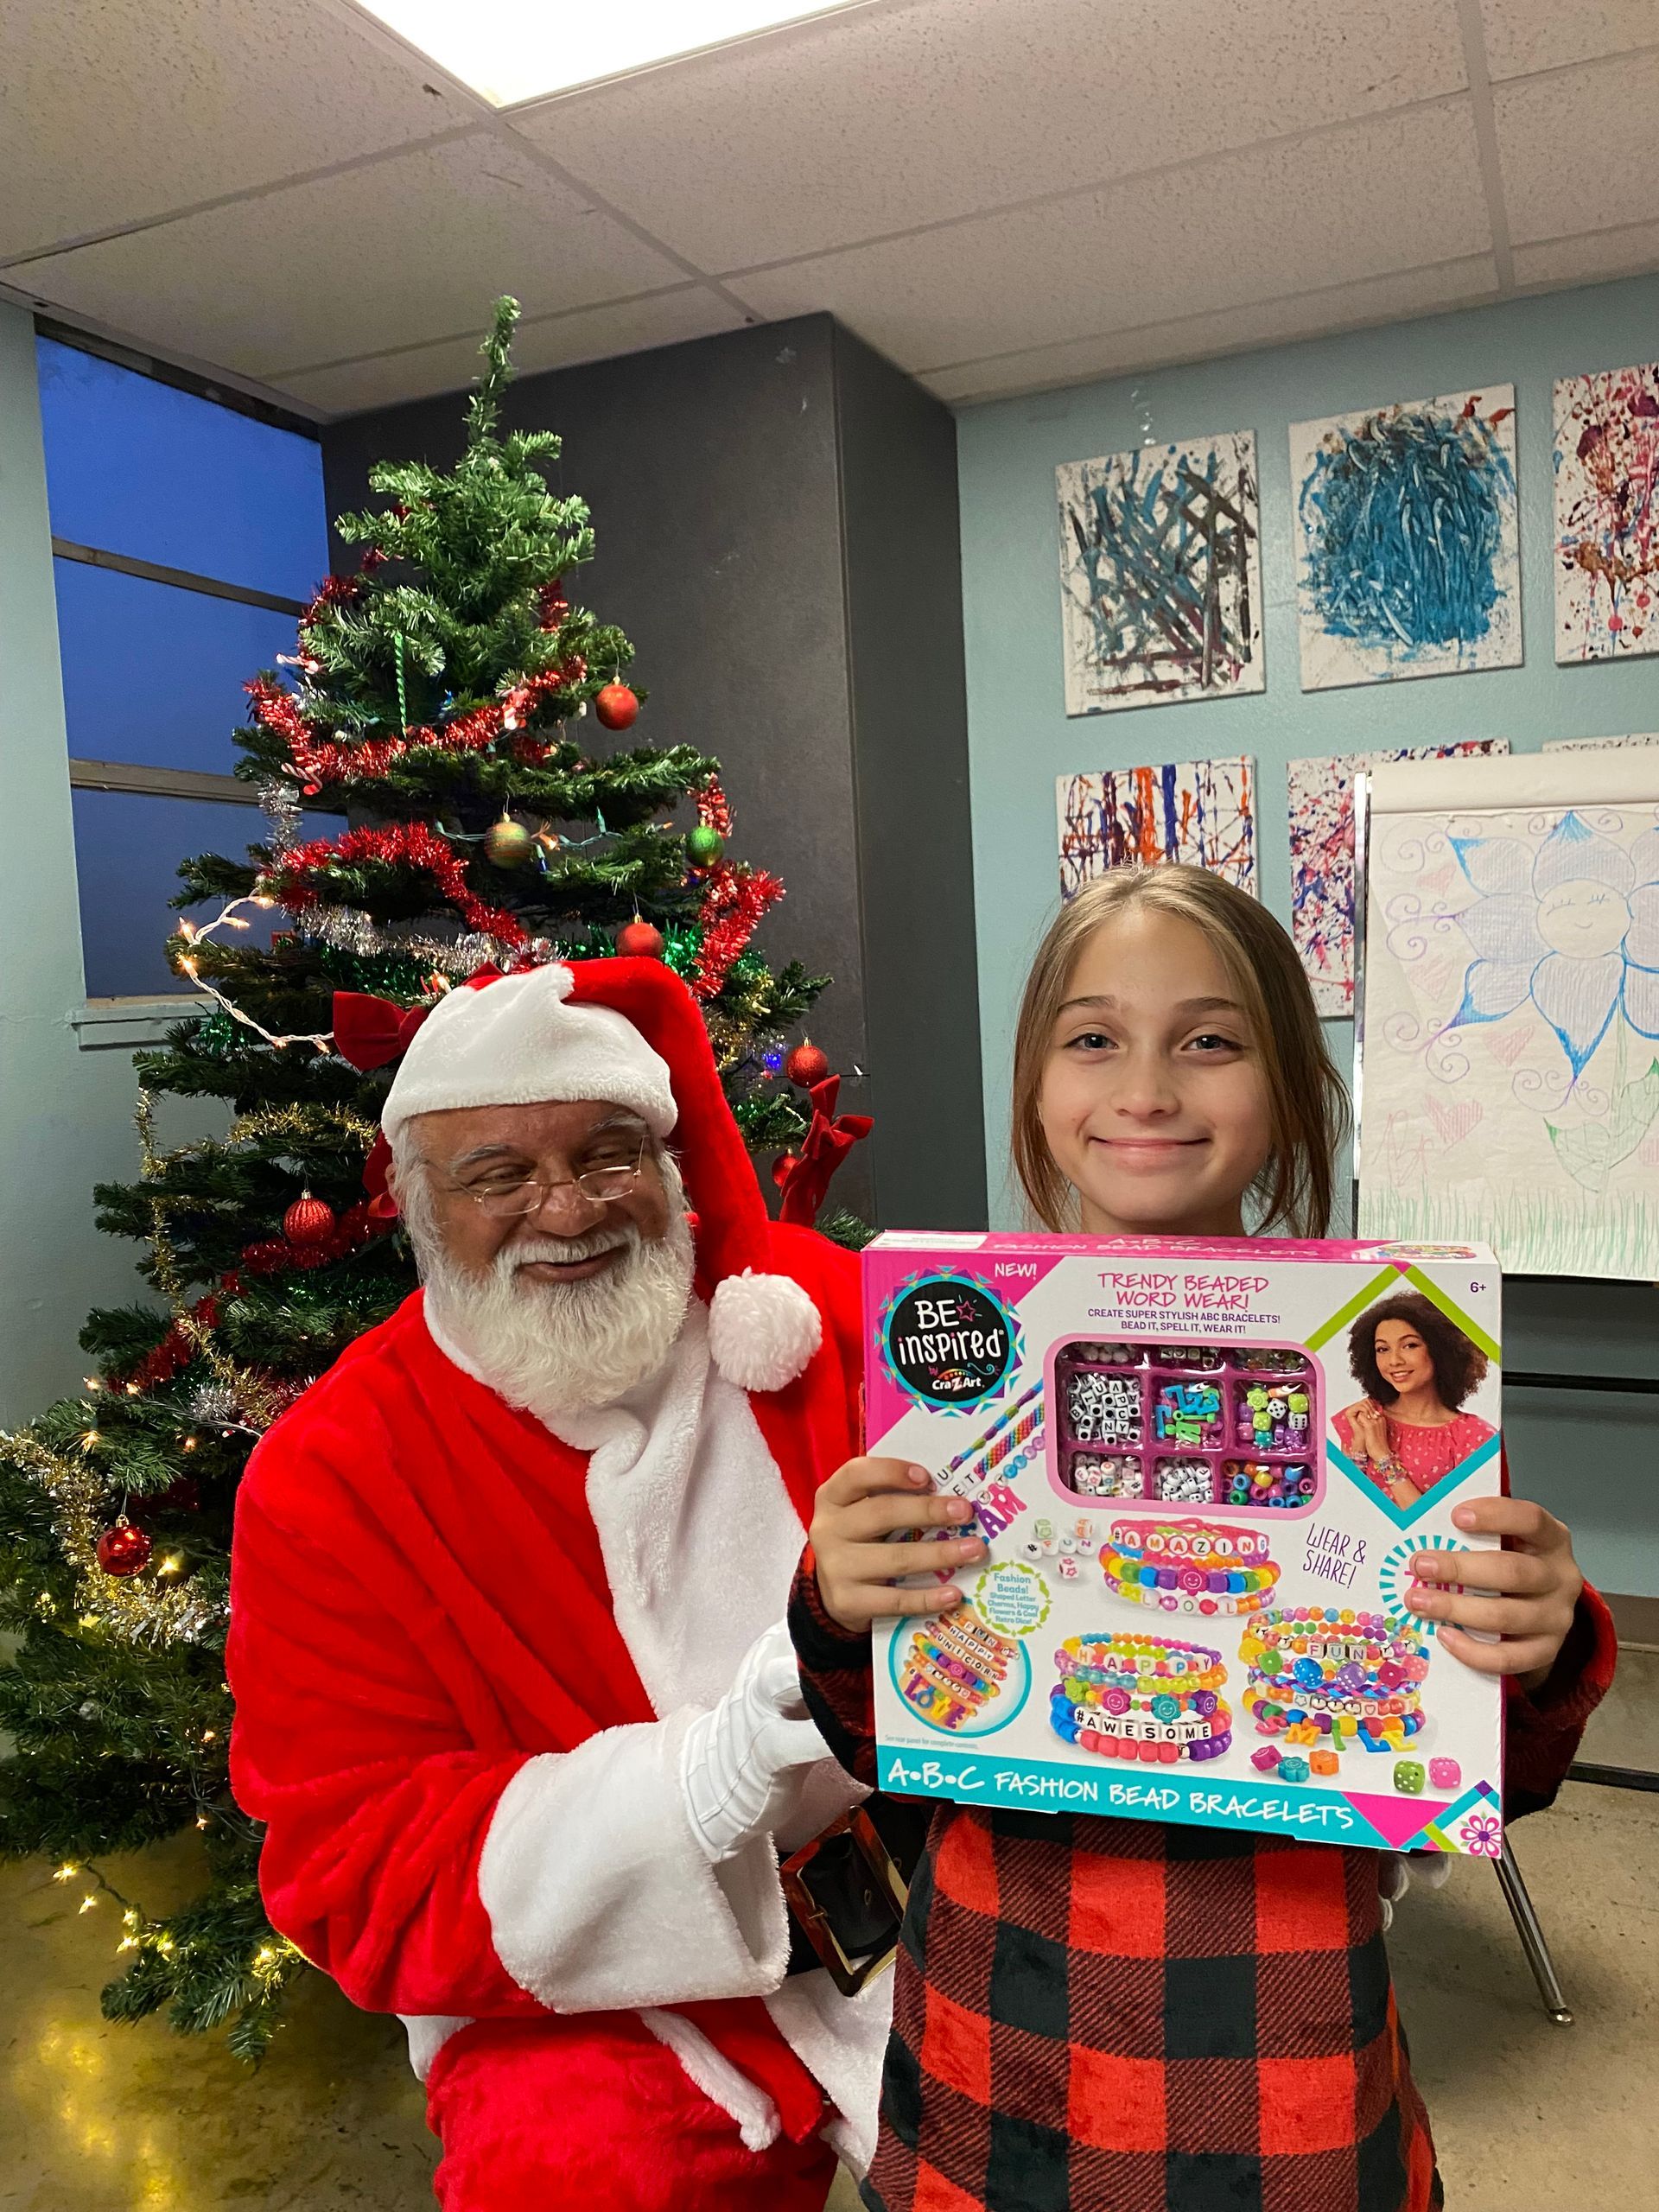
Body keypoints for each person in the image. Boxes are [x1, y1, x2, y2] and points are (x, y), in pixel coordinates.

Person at [790, 866, 1615, 2212]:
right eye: (1095, 1037)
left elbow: (1488, 1780)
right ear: (1039, 1089)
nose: (1150, 1089)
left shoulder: (1394, 1399)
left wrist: (1540, 1634)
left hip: (1281, 2057)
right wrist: (837, 1602)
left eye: (1211, 1040)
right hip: (1000, 2042)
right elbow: (884, 1744)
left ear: (1290, 1087)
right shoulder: (950, 1386)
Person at [226, 957, 892, 2212]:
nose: (568, 1209)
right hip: (596, 1994)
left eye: (606, 1156)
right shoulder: (331, 1476)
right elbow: (356, 1876)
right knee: (575, 2178)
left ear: (669, 1166)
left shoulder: (808, 1317)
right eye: (500, 1177)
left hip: (934, 1899)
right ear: (419, 1205)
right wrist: (702, 1782)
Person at [1336, 1293, 1499, 1507]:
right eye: (1383, 1349)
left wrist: (1383, 1456)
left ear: (1440, 1349)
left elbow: (1438, 1526)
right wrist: (1358, 1446)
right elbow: (1341, 1508)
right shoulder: (1363, 1418)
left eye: (1410, 1345)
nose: (1394, 1361)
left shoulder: (1473, 1436)